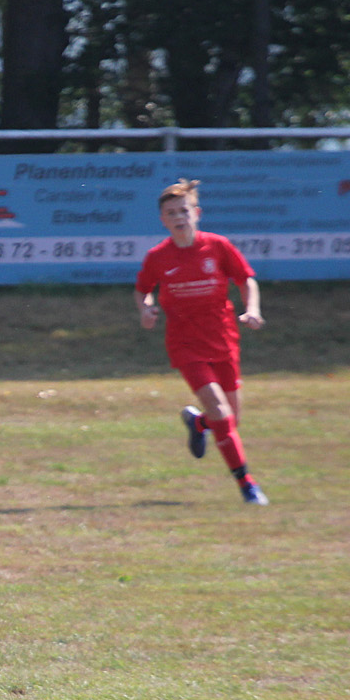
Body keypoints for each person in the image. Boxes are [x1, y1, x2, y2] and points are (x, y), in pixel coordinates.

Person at [134, 178, 268, 506]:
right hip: (185, 345)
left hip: (223, 339)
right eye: (171, 213)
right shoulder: (158, 256)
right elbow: (142, 288)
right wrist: (146, 308)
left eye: (184, 210)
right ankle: (247, 485)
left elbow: (245, 278)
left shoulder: (218, 246)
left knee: (230, 419)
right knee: (222, 412)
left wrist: (251, 309)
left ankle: (198, 422)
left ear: (197, 213)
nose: (179, 217)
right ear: (163, 220)